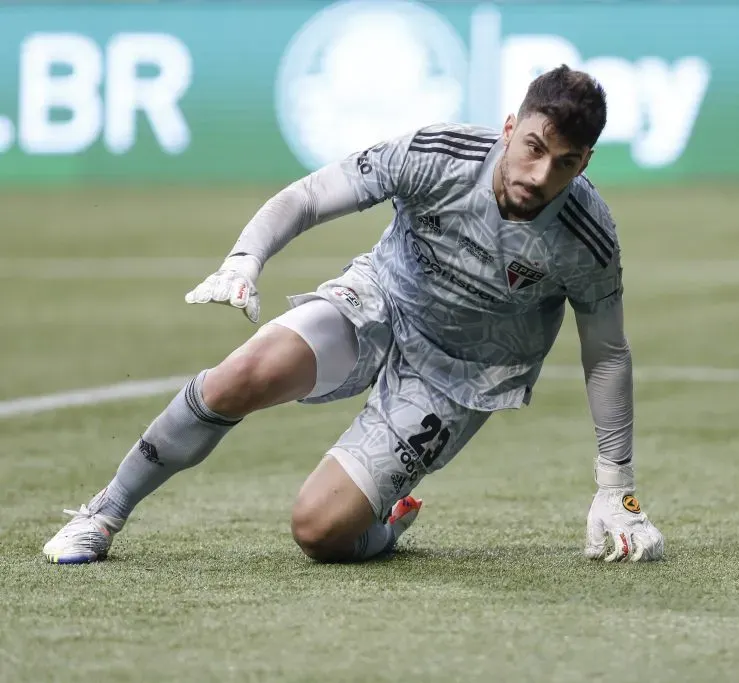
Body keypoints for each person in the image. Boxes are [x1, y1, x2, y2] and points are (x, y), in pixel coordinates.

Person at [42, 65, 665, 565]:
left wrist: (617, 488)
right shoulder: (438, 154)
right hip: (381, 300)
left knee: (318, 532)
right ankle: (104, 512)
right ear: (509, 127)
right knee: (242, 374)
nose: (539, 173)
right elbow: (312, 195)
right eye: (532, 147)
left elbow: (606, 351)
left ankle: (383, 525)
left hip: (456, 377)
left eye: (565, 162)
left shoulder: (588, 239)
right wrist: (243, 260)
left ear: (584, 163)